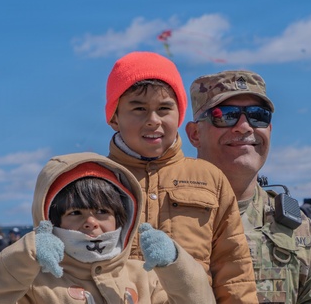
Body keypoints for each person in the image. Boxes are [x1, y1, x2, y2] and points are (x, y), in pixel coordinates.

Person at [0, 152, 215, 304]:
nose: (91, 222)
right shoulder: (31, 284)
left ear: (122, 218)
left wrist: (177, 266)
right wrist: (22, 257)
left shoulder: (147, 278)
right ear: (51, 220)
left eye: (103, 211)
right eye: (75, 212)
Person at [105, 52, 257, 303]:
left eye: (164, 109)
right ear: (114, 118)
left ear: (180, 115)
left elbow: (234, 272)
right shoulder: (91, 179)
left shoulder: (210, 179)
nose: (153, 121)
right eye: (139, 109)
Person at [185, 69, 311, 303]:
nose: (244, 127)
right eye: (226, 115)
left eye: (258, 115)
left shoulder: (297, 229)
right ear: (194, 134)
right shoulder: (166, 215)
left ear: (269, 130)